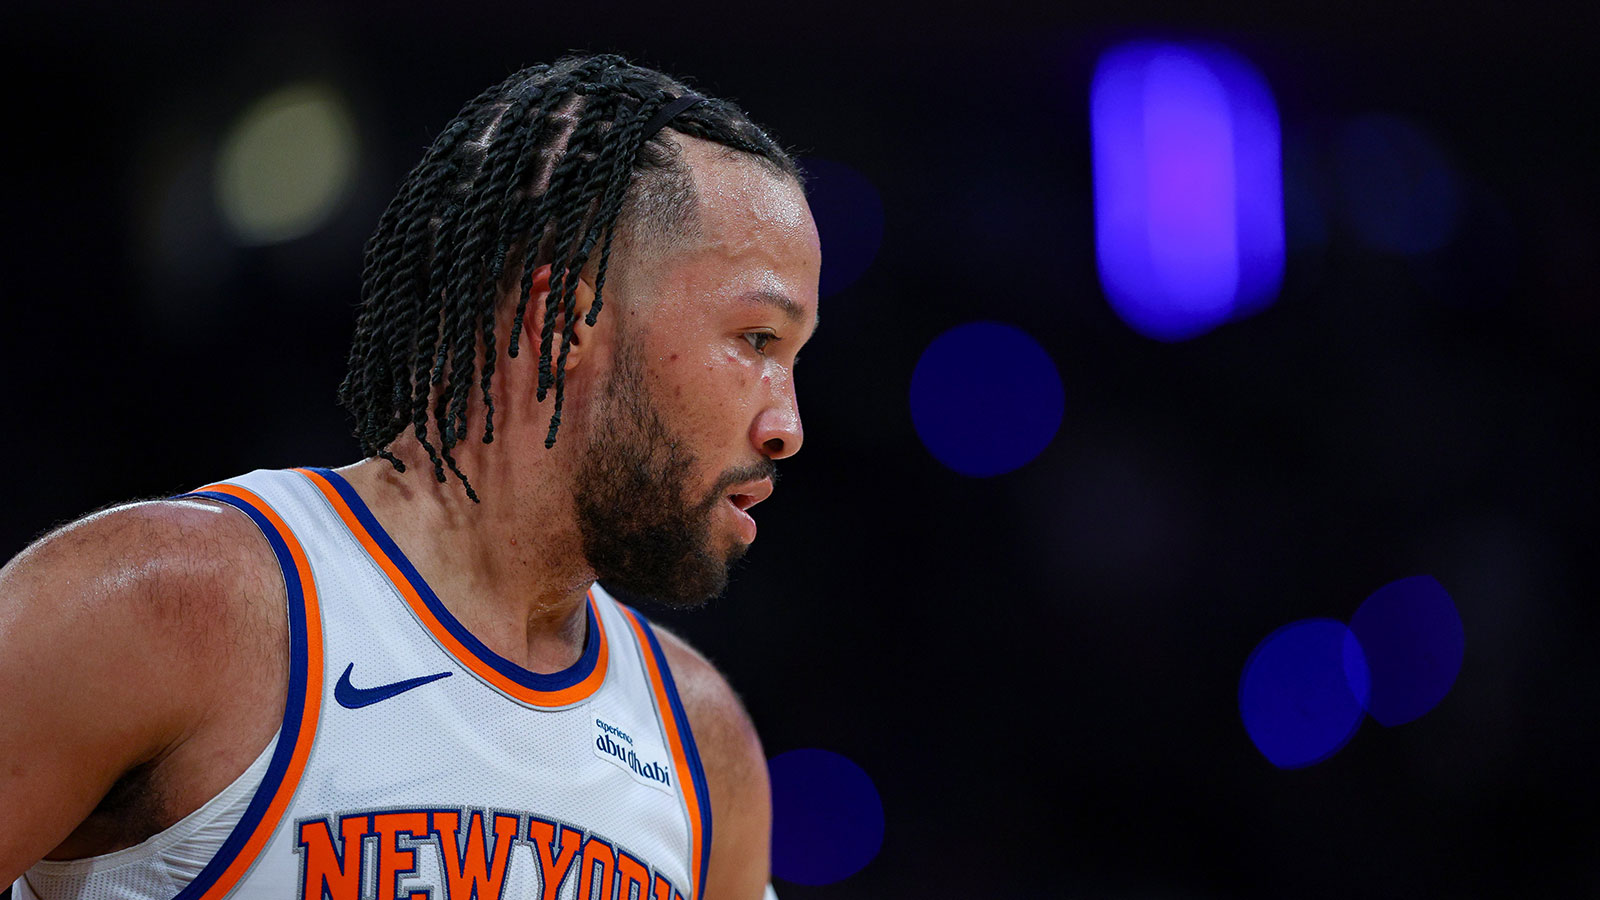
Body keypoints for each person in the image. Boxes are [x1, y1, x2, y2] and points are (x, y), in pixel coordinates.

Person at [0, 53, 819, 900]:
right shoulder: (167, 606)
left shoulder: (703, 746)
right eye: (757, 340)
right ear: (562, 321)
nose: (787, 426)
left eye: (796, 359)